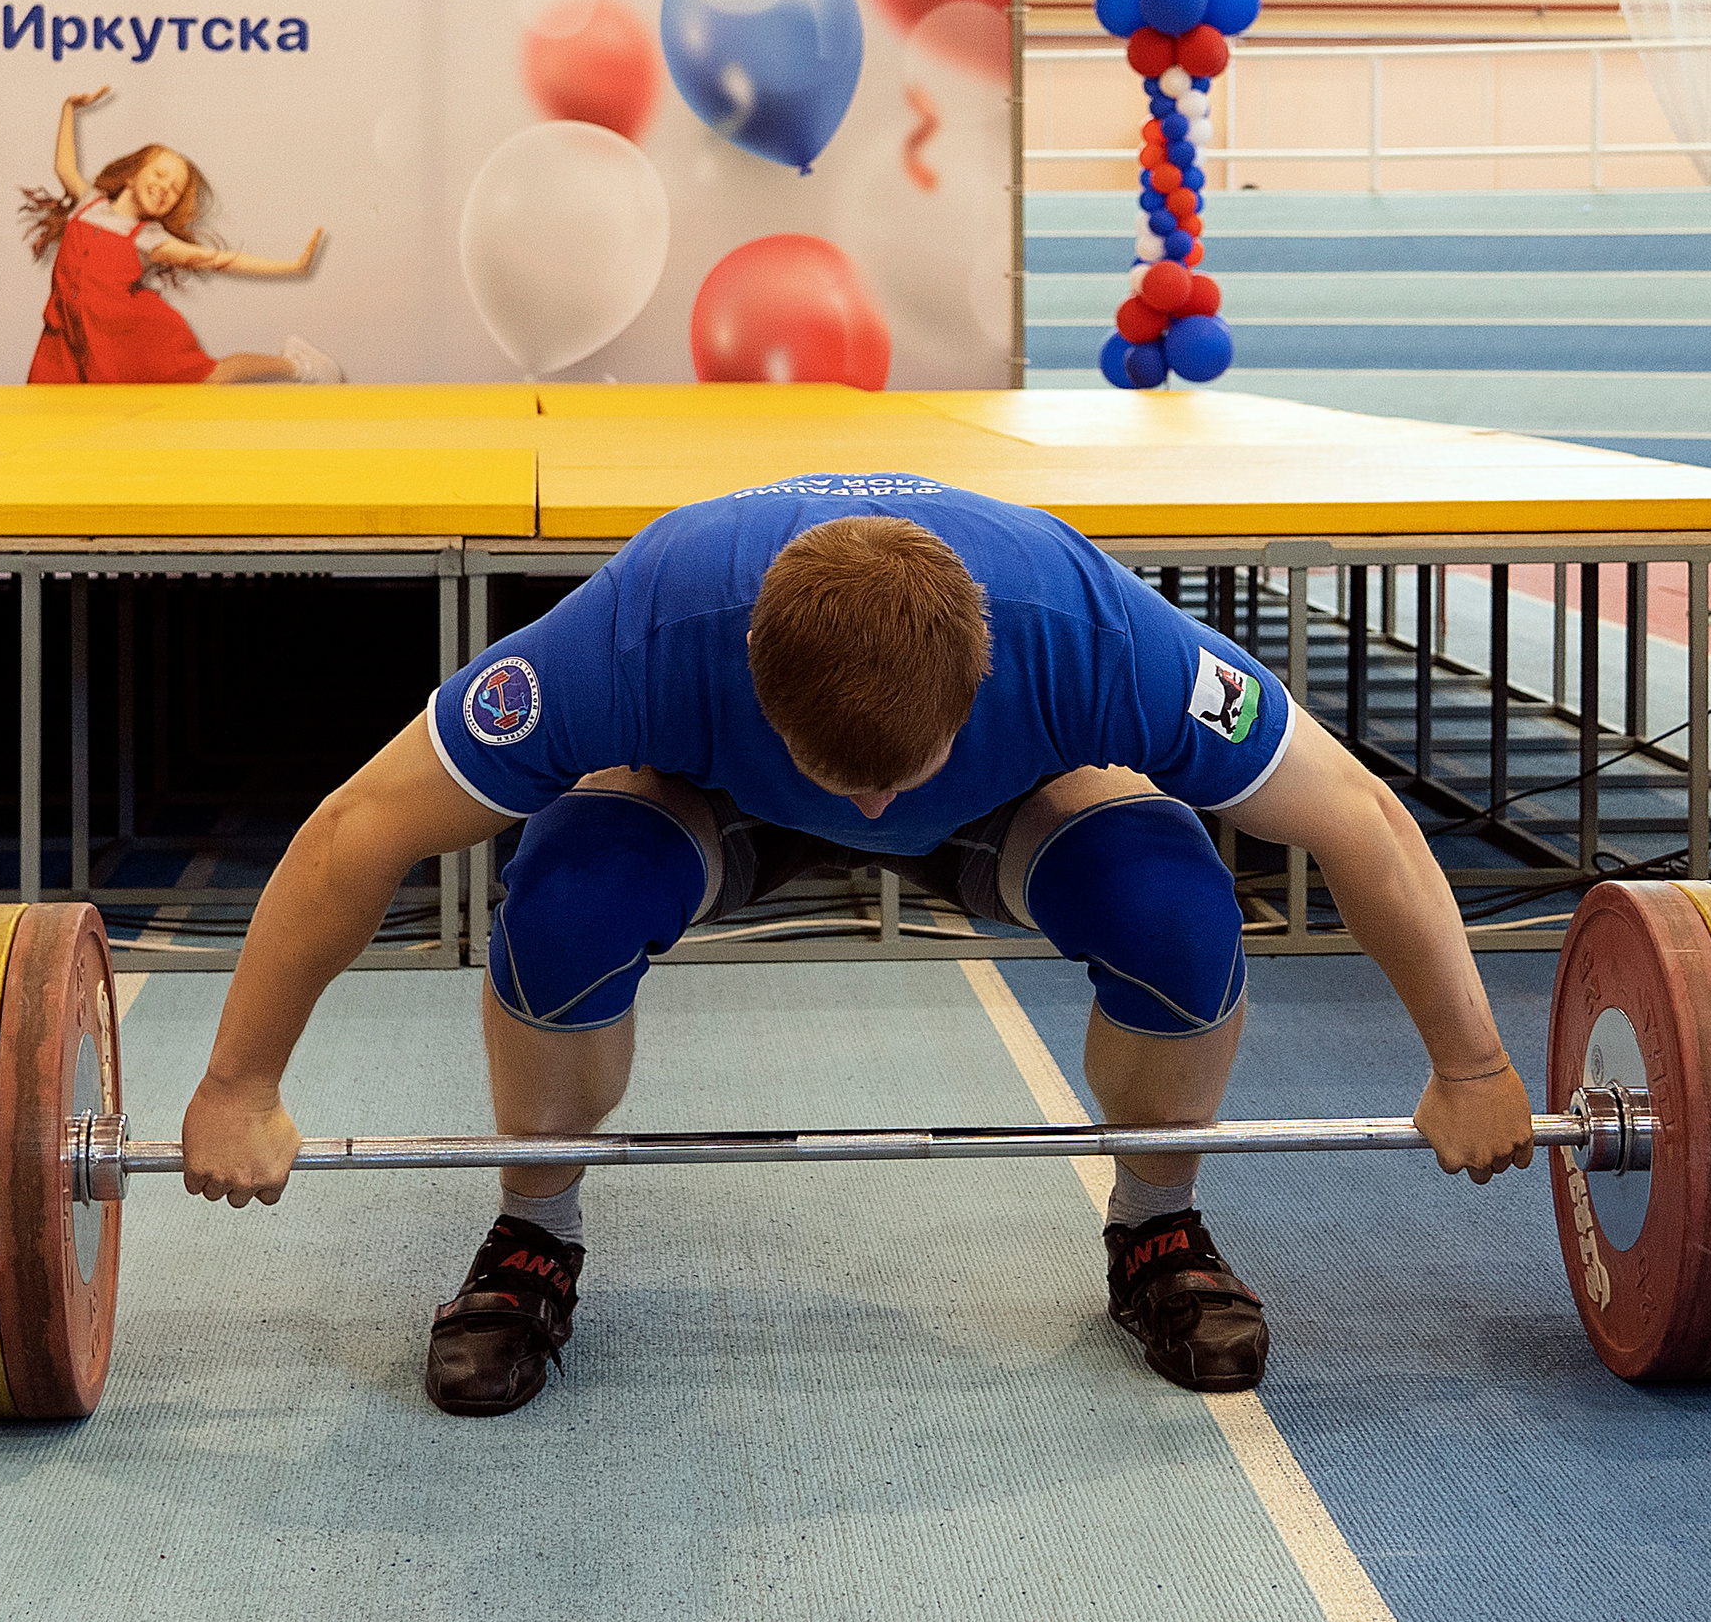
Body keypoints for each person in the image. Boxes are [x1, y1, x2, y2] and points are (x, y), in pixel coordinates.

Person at [179, 476, 1537, 1415]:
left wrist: (1470, 1062)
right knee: (562, 901)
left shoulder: (1090, 630)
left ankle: (1155, 1223)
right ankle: (534, 1231)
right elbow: (358, 826)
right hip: (720, 798)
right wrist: (241, 1081)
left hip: (1011, 802)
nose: (873, 817)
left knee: (1176, 905)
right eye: (849, 782)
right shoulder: (644, 628)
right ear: (749, 673)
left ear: (984, 673)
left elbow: (1357, 817)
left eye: (899, 778)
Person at [22, 89, 339, 386]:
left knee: (211, 377)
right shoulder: (88, 203)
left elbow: (220, 261)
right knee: (55, 405)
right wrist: (69, 108)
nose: (164, 187)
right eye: (159, 174)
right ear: (131, 175)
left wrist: (293, 266)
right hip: (66, 335)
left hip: (129, 338)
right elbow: (64, 166)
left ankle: (296, 364)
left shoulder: (148, 238)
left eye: (175, 189)